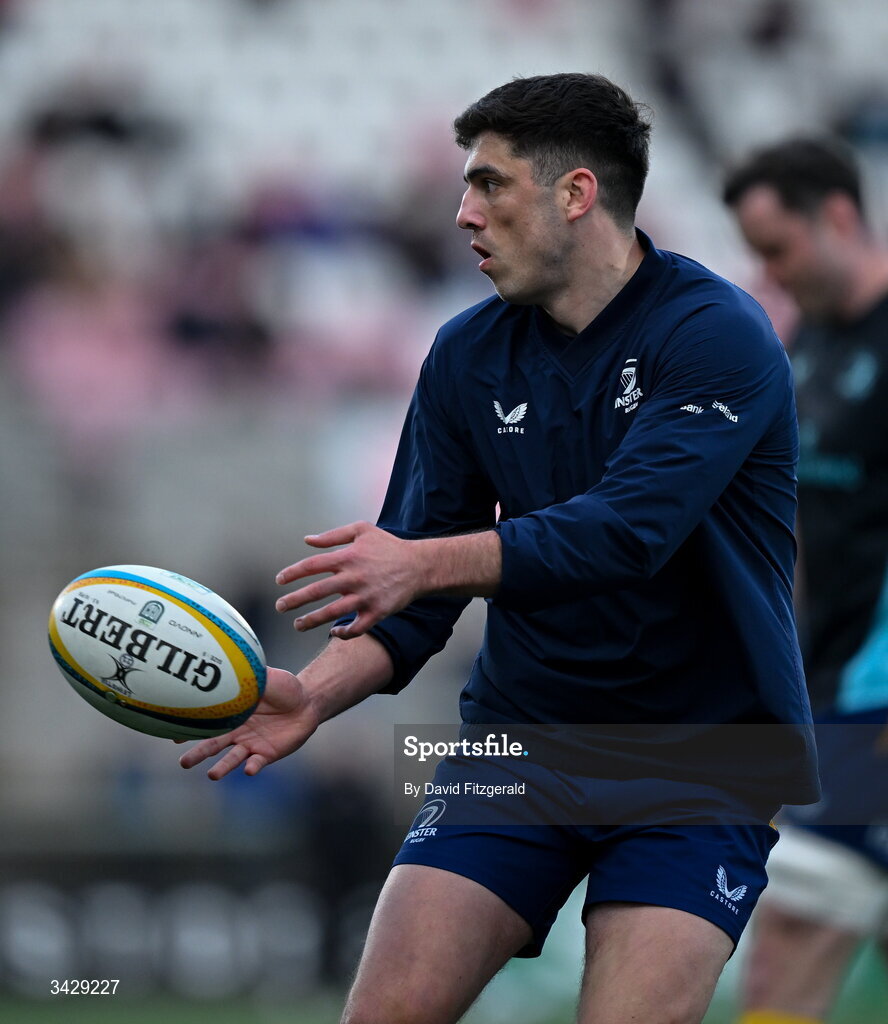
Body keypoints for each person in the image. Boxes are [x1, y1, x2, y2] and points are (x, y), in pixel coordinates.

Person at [180, 73, 818, 1024]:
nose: (462, 212)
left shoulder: (716, 334)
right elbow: (413, 598)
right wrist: (310, 696)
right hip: (519, 746)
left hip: (706, 756)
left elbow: (626, 532)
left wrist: (417, 563)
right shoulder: (465, 354)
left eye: (490, 184)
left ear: (576, 194)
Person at [723, 138, 888, 1024]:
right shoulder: (811, 339)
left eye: (778, 248)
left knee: (791, 927)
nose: (769, 273)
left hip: (878, 697)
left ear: (837, 215)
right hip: (830, 685)